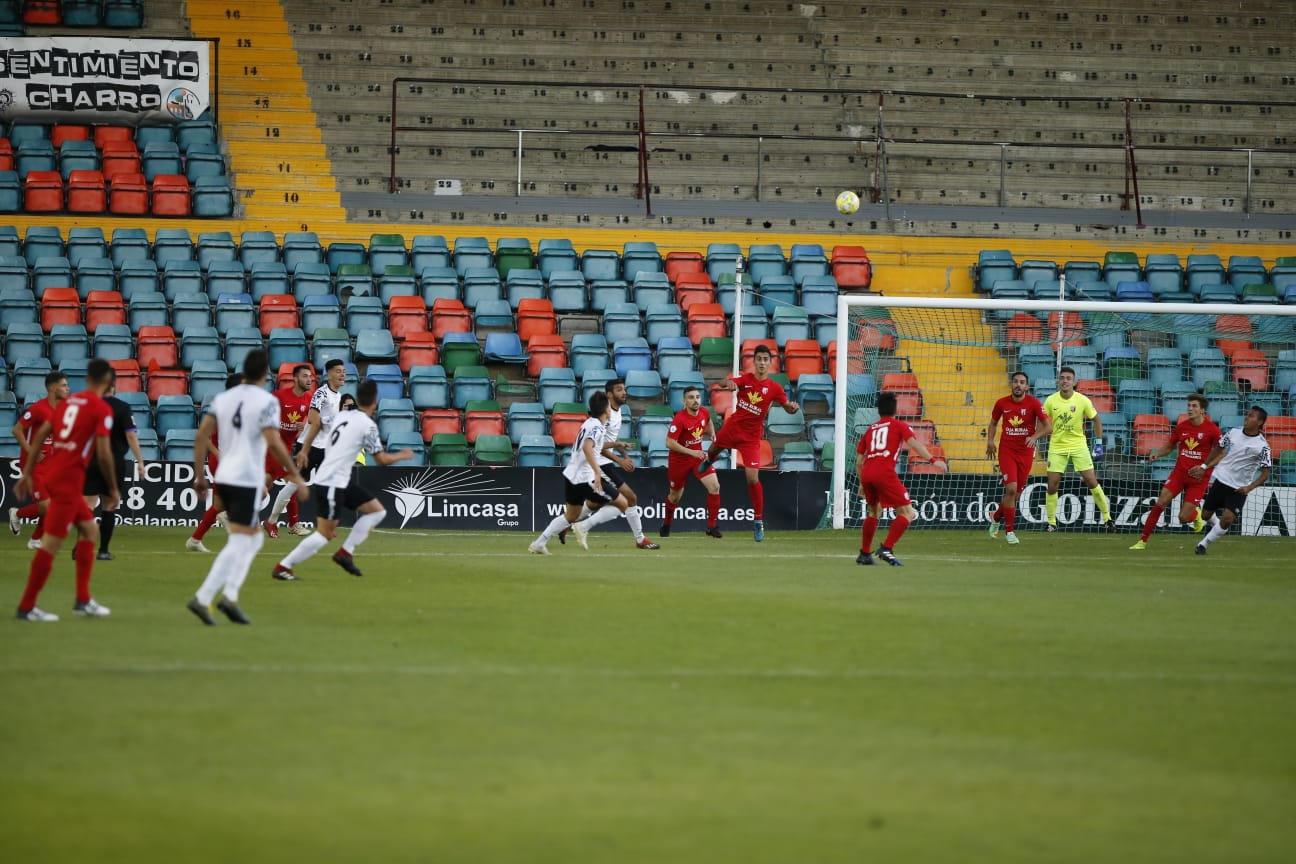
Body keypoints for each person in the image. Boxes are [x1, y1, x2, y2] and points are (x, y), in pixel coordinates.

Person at [187, 350, 308, 626]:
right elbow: (273, 441)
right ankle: (214, 597)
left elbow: (201, 436)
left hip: (225, 474)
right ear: (266, 374)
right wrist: (295, 474)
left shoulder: (223, 399)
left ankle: (220, 596)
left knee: (248, 539)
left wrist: (199, 476)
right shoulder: (267, 401)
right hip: (244, 477)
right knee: (247, 540)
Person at [270, 379, 414, 580]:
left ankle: (345, 552)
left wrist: (304, 449)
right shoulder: (367, 425)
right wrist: (402, 455)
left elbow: (316, 425)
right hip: (331, 482)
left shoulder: (342, 416)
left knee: (377, 511)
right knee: (324, 534)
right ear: (375, 401)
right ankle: (283, 566)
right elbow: (381, 459)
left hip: (340, 481)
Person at [13, 361, 119, 622]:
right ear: (108, 382)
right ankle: (27, 606)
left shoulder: (70, 403)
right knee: (51, 543)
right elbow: (104, 453)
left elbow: (41, 434)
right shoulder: (100, 408)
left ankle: (83, 600)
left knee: (90, 531)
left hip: (57, 474)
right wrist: (113, 488)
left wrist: (26, 473)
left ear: (87, 378)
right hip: (69, 481)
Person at [699, 343, 800, 541]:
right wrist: (727, 383)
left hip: (752, 437)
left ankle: (758, 521)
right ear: (753, 361)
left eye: (765, 359)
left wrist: (792, 408)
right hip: (733, 427)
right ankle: (709, 460)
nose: (762, 363)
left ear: (770, 363)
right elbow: (727, 383)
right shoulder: (745, 379)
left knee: (752, 478)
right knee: (713, 449)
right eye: (759, 359)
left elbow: (786, 406)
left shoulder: (774, 388)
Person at [528, 391, 631, 555]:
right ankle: (583, 527)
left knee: (570, 515)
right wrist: (597, 472)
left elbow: (595, 444)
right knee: (623, 503)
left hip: (572, 476)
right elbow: (587, 447)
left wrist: (617, 443)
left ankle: (539, 543)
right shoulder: (597, 426)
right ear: (606, 410)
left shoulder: (590, 423)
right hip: (586, 478)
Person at [855, 391, 945, 566]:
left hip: (867, 473)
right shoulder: (898, 425)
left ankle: (865, 554)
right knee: (908, 513)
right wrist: (934, 460)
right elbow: (914, 444)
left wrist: (861, 483)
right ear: (895, 409)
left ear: (878, 410)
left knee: (874, 512)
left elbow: (859, 461)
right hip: (884, 473)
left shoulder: (870, 429)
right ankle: (886, 548)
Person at [569, 378, 659, 550]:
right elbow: (598, 445)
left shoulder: (618, 411)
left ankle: (568, 521)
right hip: (600, 463)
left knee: (597, 503)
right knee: (629, 498)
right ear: (609, 394)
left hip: (606, 462)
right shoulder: (604, 414)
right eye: (619, 389)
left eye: (624, 389)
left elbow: (612, 439)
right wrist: (620, 460)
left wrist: (624, 453)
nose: (624, 392)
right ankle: (640, 539)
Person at [1130, 393, 1222, 549]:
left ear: (1202, 410)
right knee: (1161, 502)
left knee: (1183, 517)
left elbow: (1221, 453)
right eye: (1189, 406)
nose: (1190, 409)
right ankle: (1142, 541)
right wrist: (1158, 454)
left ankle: (1196, 514)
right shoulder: (1182, 427)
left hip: (1199, 479)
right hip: (1179, 473)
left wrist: (1204, 467)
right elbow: (1170, 447)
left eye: (1194, 406)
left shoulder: (1212, 430)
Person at [1041, 366, 1112, 531]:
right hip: (1057, 446)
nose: (1065, 381)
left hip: (1078, 446)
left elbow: (1097, 420)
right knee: (1053, 484)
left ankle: (1107, 518)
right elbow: (1044, 423)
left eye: (1068, 378)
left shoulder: (1083, 400)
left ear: (1074, 382)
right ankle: (1051, 523)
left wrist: (1099, 443)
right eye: (1062, 378)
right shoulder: (1051, 400)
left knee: (1091, 481)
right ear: (1058, 381)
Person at [1193, 406, 1271, 556]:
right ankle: (1217, 526)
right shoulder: (1233, 433)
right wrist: (1204, 466)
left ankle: (1203, 544)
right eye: (1247, 415)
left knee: (1228, 519)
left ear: (1260, 422)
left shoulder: (1263, 447)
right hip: (1221, 480)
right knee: (1205, 516)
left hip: (1239, 488)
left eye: (1252, 416)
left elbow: (1265, 474)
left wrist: (1248, 488)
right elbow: (1218, 447)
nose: (1247, 418)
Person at [985, 370, 1050, 545]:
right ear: (1011, 384)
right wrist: (990, 441)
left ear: (1026, 386)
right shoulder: (1001, 403)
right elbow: (992, 423)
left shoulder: (1034, 404)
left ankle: (996, 518)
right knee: (1012, 489)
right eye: (1015, 381)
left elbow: (1048, 426)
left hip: (1026, 452)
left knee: (1016, 494)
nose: (1018, 385)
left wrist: (1035, 437)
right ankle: (1010, 532)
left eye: (1022, 382)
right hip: (1007, 451)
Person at [82, 382, 145, 561]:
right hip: (114, 462)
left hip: (92, 461)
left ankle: (81, 548)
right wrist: (140, 461)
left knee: (87, 505)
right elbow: (131, 435)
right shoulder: (122, 407)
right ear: (114, 388)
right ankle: (103, 551)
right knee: (109, 506)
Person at [9, 371, 69, 551]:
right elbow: (17, 430)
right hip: (33, 465)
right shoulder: (38, 408)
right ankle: (17, 514)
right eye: (64, 385)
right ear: (52, 387)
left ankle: (36, 540)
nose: (68, 388)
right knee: (48, 508)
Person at [186, 372, 243, 554]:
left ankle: (195, 540)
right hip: (221, 462)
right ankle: (232, 523)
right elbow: (204, 437)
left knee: (219, 505)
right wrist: (219, 453)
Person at [658, 384, 723, 538]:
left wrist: (713, 434)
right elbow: (669, 443)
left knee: (715, 486)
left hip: (698, 458)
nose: (695, 400)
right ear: (684, 401)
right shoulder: (679, 419)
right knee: (675, 496)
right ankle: (666, 524)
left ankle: (712, 527)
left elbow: (708, 421)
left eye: (697, 397)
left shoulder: (704, 412)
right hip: (679, 460)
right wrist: (692, 452)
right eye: (691, 398)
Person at [283, 357, 345, 515]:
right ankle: (272, 520)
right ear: (329, 375)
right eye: (338, 372)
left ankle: (327, 520)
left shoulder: (339, 396)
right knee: (294, 485)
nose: (342, 375)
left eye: (343, 372)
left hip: (326, 447)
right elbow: (312, 418)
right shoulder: (321, 393)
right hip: (310, 446)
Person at [262, 363, 316, 538]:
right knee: (293, 481)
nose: (309, 379)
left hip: (287, 445)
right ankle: (291, 524)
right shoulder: (279, 396)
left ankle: (232, 512)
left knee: (266, 485)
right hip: (273, 445)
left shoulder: (309, 400)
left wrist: (304, 424)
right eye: (305, 376)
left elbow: (311, 421)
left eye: (310, 376)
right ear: (295, 379)